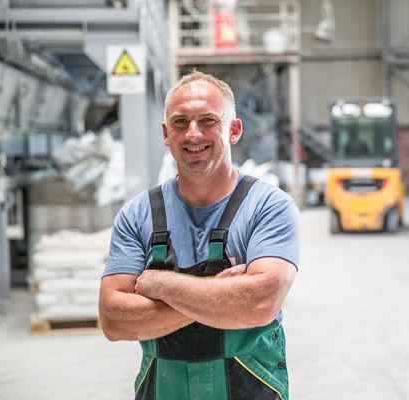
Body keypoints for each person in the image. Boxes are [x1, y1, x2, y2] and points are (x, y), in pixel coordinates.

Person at [99, 70, 299, 400]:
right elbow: (113, 319)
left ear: (233, 130)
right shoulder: (139, 214)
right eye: (180, 123)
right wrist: (225, 294)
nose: (193, 134)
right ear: (166, 133)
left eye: (207, 121)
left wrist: (159, 285)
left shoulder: (268, 207)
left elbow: (261, 302)